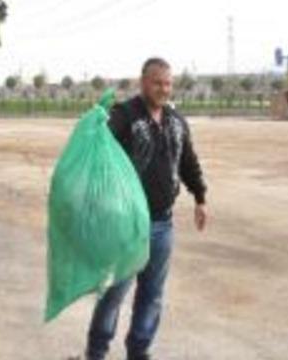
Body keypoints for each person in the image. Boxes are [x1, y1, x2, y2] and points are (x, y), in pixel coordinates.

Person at [84, 58, 208, 360]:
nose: (163, 88)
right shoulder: (124, 116)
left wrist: (200, 197)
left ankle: (139, 351)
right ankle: (96, 351)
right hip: (127, 224)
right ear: (143, 82)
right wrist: (96, 122)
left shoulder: (176, 121)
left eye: (167, 83)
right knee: (114, 293)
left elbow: (188, 161)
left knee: (152, 295)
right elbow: (98, 150)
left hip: (163, 225)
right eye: (157, 82)